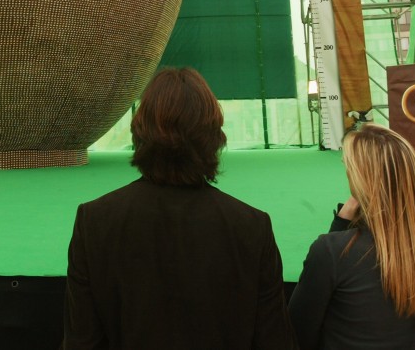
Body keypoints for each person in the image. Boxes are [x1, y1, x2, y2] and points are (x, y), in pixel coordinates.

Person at [61, 67, 295, 350]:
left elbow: (82, 341)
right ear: (213, 137)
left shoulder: (94, 221)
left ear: (139, 133)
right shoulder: (251, 226)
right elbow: (274, 341)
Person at [288, 123, 415, 350]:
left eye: (349, 169)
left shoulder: (332, 250)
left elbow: (296, 332)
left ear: (361, 180)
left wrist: (341, 223)